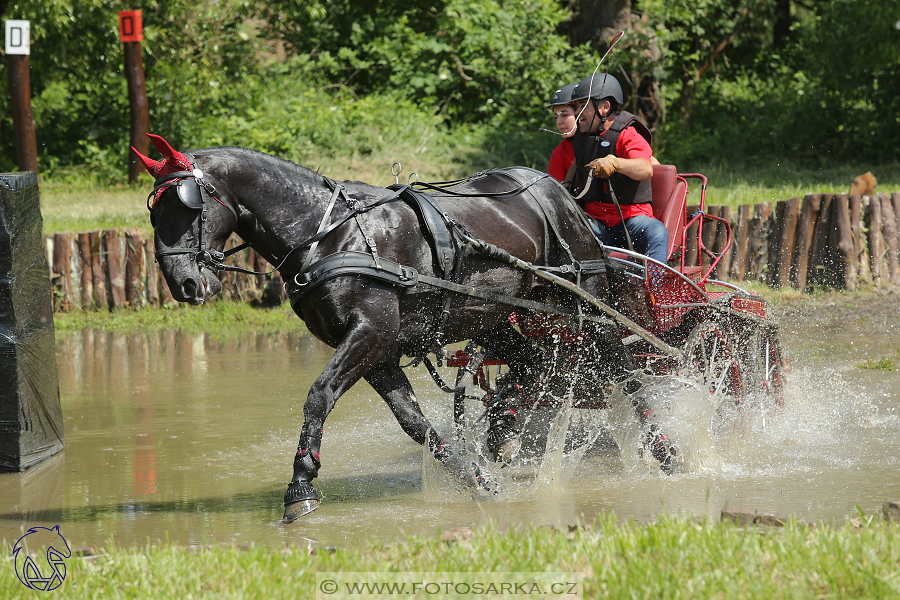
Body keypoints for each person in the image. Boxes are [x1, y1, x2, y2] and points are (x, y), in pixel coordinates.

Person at [568, 73, 669, 264]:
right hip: (595, 221)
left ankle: (655, 289)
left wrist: (615, 163)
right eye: (576, 107)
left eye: (583, 107)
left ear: (604, 107)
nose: (577, 113)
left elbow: (645, 168)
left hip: (632, 221)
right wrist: (566, 184)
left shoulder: (628, 134)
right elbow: (577, 163)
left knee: (657, 232)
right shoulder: (582, 137)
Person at [546, 83, 577, 182]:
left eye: (564, 115)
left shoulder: (608, 139)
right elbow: (553, 194)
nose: (558, 122)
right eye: (556, 116)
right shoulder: (559, 153)